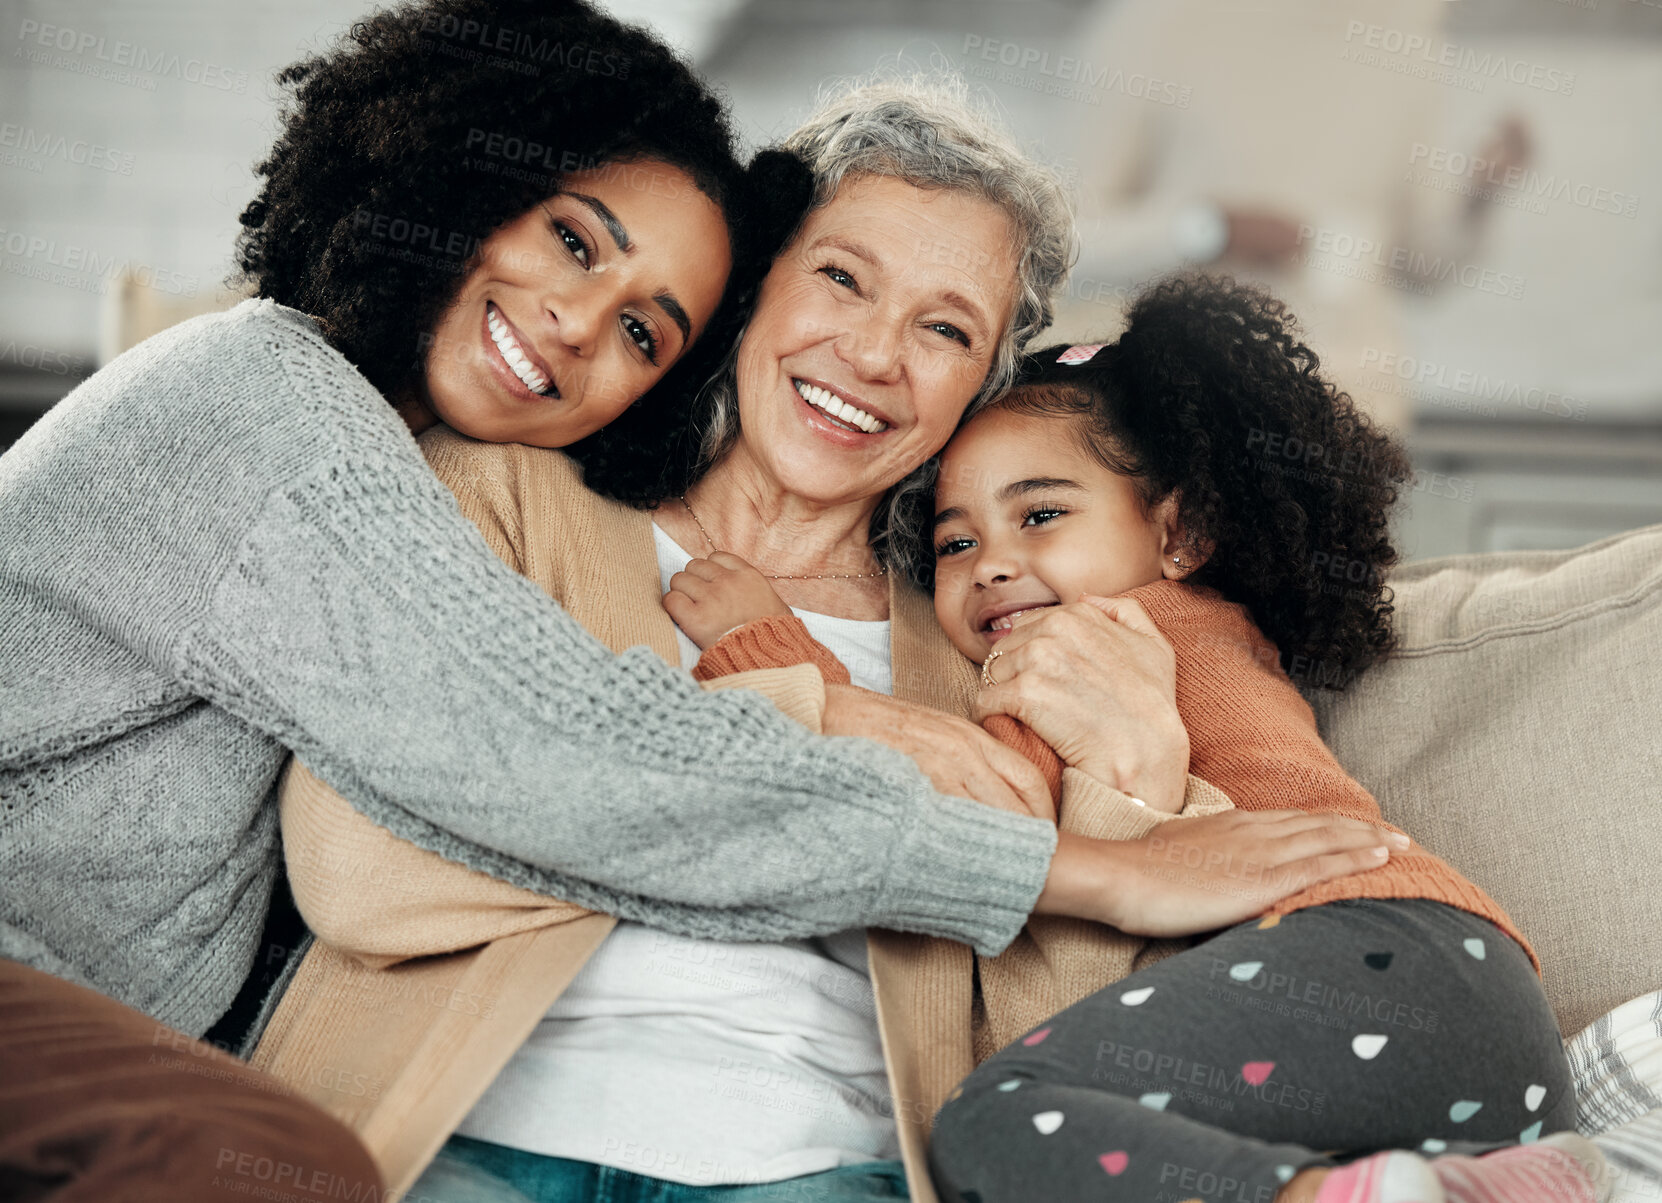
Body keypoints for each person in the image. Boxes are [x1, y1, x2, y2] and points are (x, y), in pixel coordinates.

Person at [261, 82, 1407, 1203]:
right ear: (755, 288)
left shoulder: (987, 634)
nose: (871, 355)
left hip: (812, 1163)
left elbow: (1044, 1033)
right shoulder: (508, 496)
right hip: (455, 1136)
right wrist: (835, 735)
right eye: (843, 278)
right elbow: (361, 872)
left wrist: (1135, 784)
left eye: (944, 328)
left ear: (980, 390)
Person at [0, 2, 978, 1196]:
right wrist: (961, 815)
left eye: (640, 329)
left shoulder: (991, 640)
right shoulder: (288, 411)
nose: (576, 324)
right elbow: (510, 773)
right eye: (575, 241)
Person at [873, 276, 1602, 1203]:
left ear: (1180, 532)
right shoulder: (1228, 629)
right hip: (1486, 1019)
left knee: (997, 1115)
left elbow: (981, 819)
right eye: (953, 544)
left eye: (1042, 514)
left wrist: (771, 657)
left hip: (1364, 949)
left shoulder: (1079, 645)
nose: (995, 565)